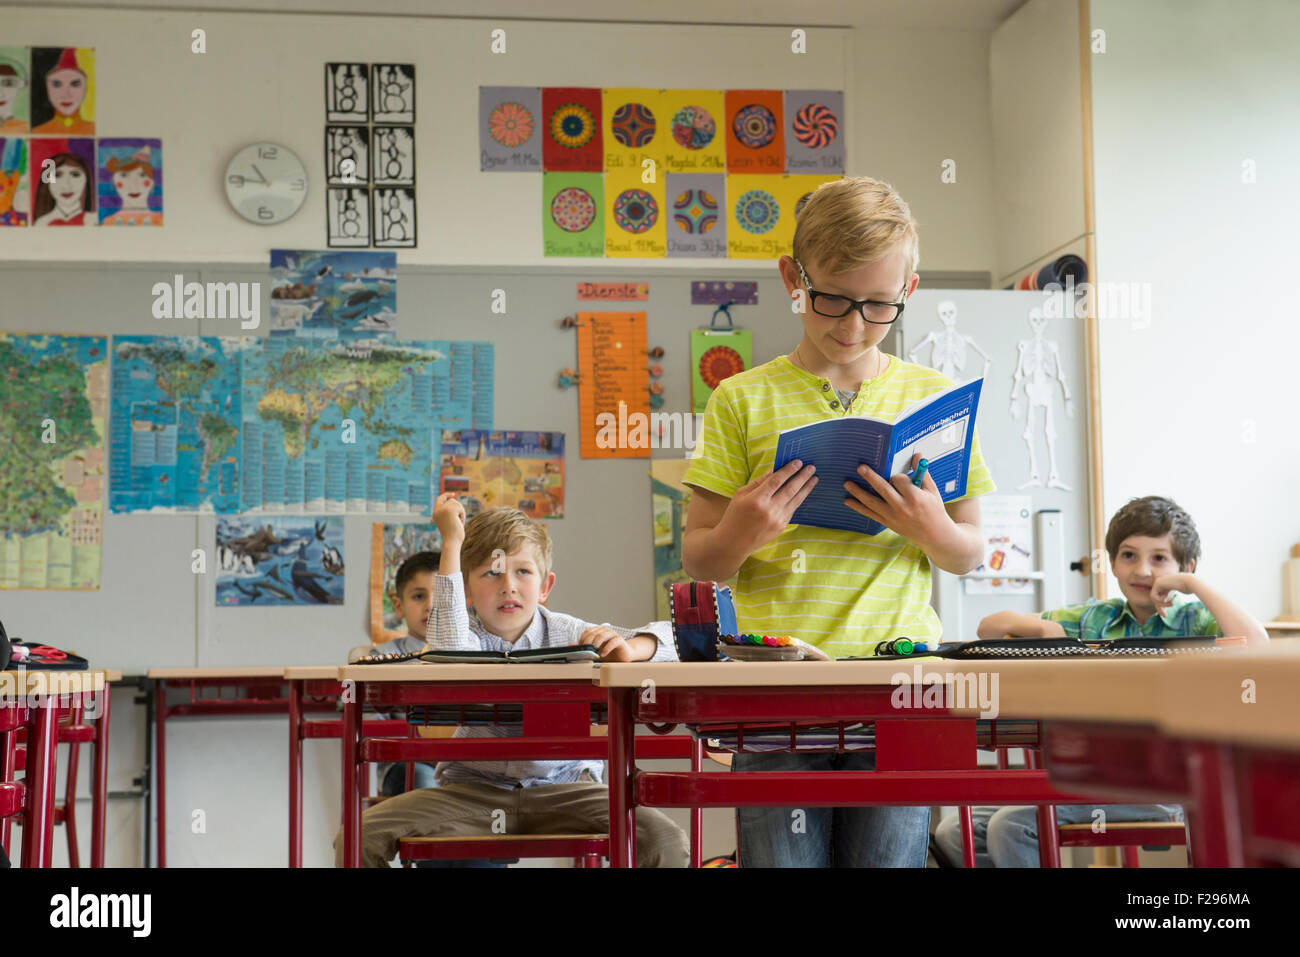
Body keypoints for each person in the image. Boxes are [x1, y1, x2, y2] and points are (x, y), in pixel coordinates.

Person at [681, 176, 996, 867]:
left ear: (909, 291)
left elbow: (970, 552)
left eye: (878, 306)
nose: (852, 326)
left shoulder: (935, 399)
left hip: (898, 683)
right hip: (776, 691)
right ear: (792, 278)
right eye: (830, 300)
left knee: (888, 859)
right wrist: (740, 533)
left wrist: (928, 528)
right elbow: (700, 559)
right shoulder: (740, 399)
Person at [334, 495, 687, 867]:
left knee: (664, 839)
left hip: (566, 790)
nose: (508, 586)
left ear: (545, 585)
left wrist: (631, 650)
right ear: (466, 592)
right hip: (473, 794)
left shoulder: (570, 632)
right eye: (491, 573)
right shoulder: (462, 634)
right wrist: (452, 540)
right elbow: (450, 649)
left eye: (523, 572)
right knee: (358, 837)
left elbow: (674, 640)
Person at [933, 495, 1269, 867]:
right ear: (1112, 563)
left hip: (1168, 788)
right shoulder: (1098, 619)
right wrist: (1043, 627)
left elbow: (1255, 643)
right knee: (953, 832)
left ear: (1184, 566)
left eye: (1159, 558)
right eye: (1128, 555)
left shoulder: (1196, 619)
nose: (1142, 570)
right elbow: (989, 626)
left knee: (1011, 825)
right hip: (1094, 777)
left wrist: (1191, 583)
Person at [101, 144, 162, 226]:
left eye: (142, 175)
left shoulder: (160, 220)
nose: (133, 185)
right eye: (124, 175)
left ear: (152, 183)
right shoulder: (108, 222)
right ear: (114, 182)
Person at [32, 151, 93, 226]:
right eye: (57, 175)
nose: (66, 186)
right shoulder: (41, 223)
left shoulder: (94, 221)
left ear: (86, 180)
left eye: (75, 175)